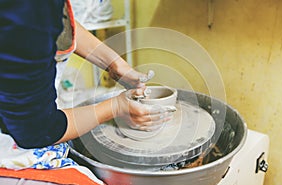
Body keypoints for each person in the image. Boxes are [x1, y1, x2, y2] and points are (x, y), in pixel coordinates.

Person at [0, 0, 171, 149]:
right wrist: (116, 107)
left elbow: (57, 20)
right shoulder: (23, 14)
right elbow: (36, 131)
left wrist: (114, 64)